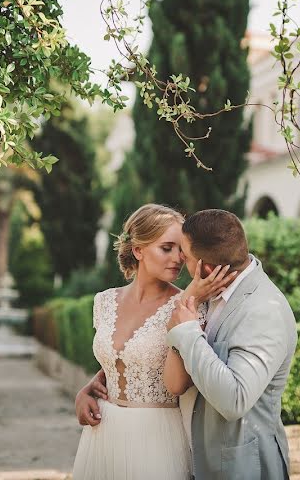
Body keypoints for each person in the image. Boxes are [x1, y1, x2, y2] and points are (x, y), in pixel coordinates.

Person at [71, 204, 235, 480]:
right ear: (138, 250)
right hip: (103, 434)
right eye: (167, 248)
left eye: (181, 249)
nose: (178, 258)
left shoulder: (191, 306)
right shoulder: (105, 301)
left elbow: (180, 383)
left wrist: (188, 300)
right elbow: (119, 362)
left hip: (156, 438)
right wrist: (84, 392)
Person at [166, 209, 297, 480]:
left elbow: (234, 399)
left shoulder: (263, 310)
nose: (180, 259)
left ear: (206, 268)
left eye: (186, 256)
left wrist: (187, 332)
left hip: (241, 467)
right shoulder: (211, 292)